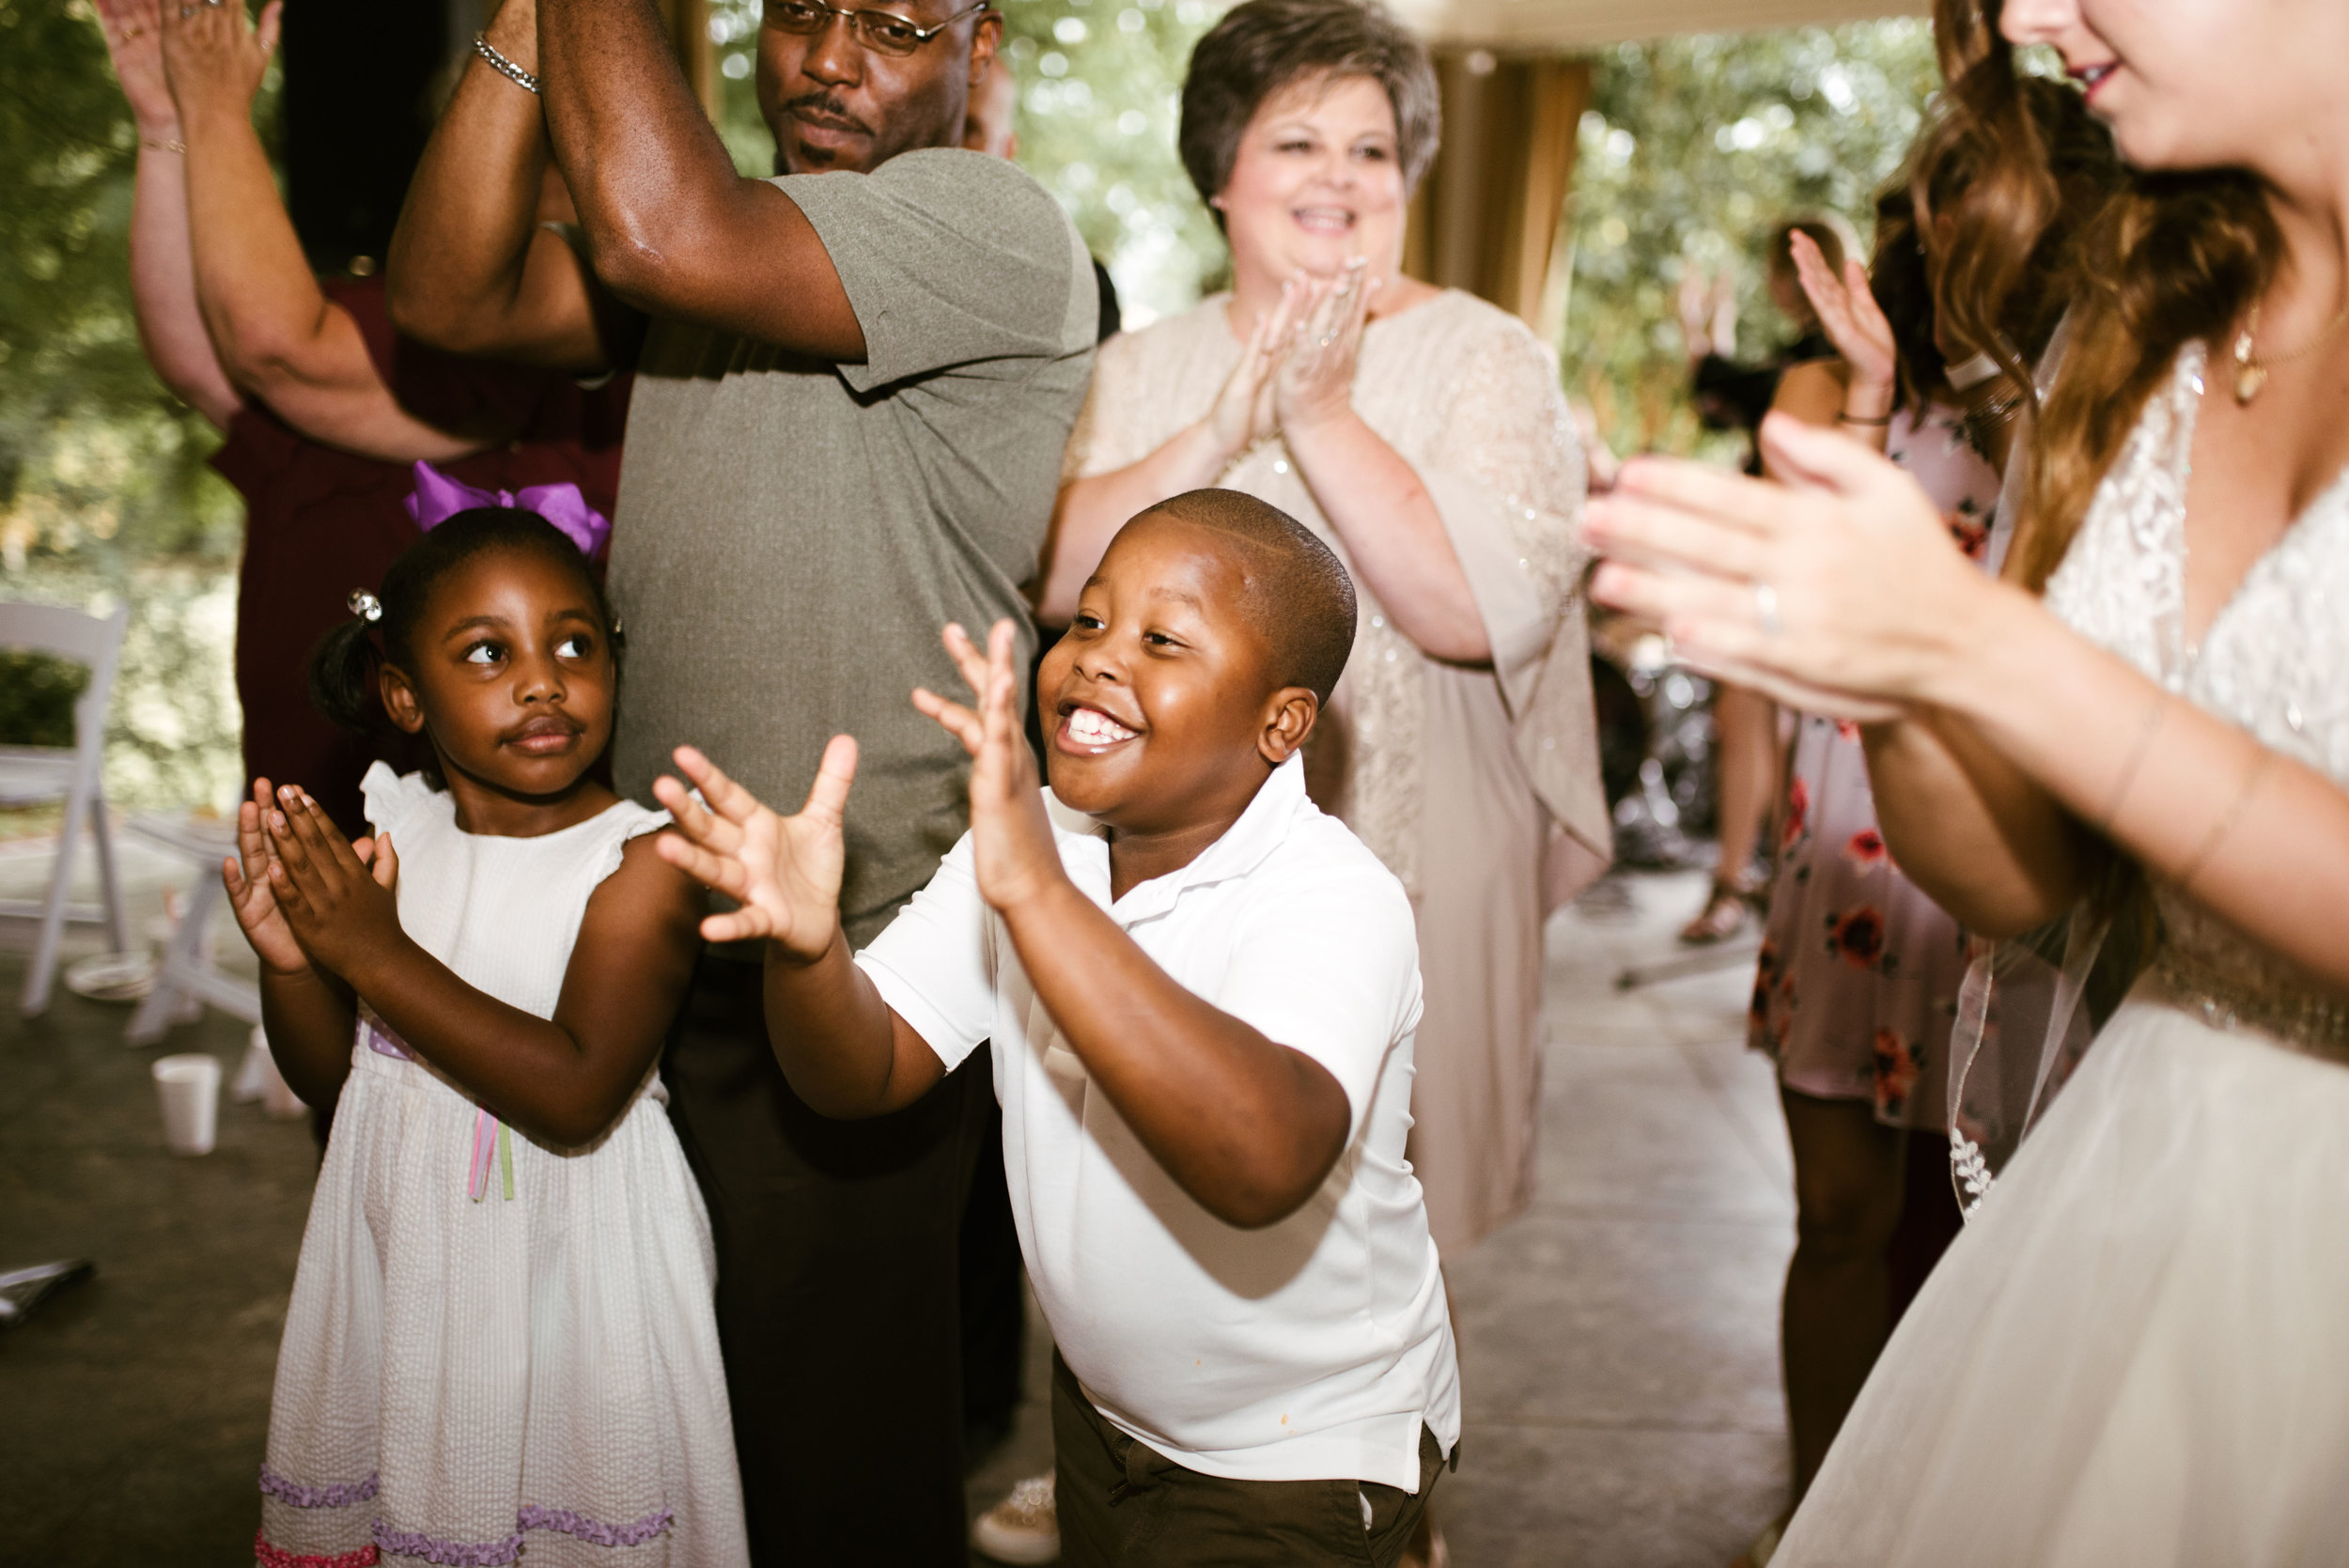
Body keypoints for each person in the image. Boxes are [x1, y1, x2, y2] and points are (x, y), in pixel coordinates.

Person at [1585, 0, 2349, 1554]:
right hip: (2152, 1168)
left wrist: (1977, 645)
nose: (2026, 19)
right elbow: (2024, 879)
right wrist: (1898, 682)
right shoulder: (2177, 329)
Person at [385, 0, 1097, 1555]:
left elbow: (649, 225)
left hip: (852, 948)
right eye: (797, 16)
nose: (830, 60)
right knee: (652, 1426)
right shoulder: (717, 249)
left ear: (979, 58)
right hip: (649, 926)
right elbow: (445, 297)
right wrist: (524, 28)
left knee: (829, 1457)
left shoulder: (991, 223)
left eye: (896, 28)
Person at [655, 490, 1459, 1568]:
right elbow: (866, 1068)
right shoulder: (1040, 845)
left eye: (1161, 639)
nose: (1096, 657)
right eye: (1086, 620)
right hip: (1101, 1415)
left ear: (1281, 721)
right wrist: (809, 951)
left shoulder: (1328, 897)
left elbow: (1264, 1159)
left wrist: (1036, 893)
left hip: (1301, 1452)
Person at [1042, 0, 1608, 1267]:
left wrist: (1325, 415)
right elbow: (1053, 580)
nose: (1340, 177)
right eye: (1298, 142)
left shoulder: (1486, 354)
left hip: (1424, 836)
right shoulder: (1140, 367)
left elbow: (1473, 611)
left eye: (1371, 148)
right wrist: (1216, 426)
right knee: (1161, 1206)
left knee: (1398, 1236)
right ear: (1221, 174)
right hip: (1165, 858)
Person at [1728, 75, 2116, 1565]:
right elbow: (1791, 592)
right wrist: (1879, 395)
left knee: (2010, 1233)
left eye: (1986, 194)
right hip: (1851, 847)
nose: (1949, 227)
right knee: (1836, 1213)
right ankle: (1818, 1515)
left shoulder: (2097, 396)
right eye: (1933, 196)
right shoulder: (1846, 388)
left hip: (2015, 855)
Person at [221, 509, 746, 1565]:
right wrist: (293, 963)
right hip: (405, 1265)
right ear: (404, 695)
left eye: (573, 644)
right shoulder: (398, 832)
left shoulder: (643, 867)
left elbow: (574, 1090)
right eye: (487, 653)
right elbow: (342, 1080)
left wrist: (370, 953)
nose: (543, 680)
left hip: (571, 1278)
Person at [93, 0, 629, 839]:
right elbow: (203, 359)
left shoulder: (561, 336)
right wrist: (167, 123)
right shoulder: (389, 309)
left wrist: (213, 105)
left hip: (477, 836)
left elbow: (278, 349)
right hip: (313, 803)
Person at [1676, 219, 1846, 946]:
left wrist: (1703, 333)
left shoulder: (1818, 363)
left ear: (1789, 277)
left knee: (1747, 719)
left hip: (1784, 562)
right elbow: (1721, 401)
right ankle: (1762, 877)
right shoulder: (1821, 355)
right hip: (1805, 562)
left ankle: (1735, 878)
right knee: (1766, 724)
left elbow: (1718, 386)